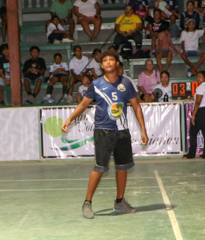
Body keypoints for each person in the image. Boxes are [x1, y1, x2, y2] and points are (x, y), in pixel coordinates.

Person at [62, 50, 148, 219]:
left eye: (111, 60)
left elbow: (136, 106)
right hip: (103, 131)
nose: (108, 62)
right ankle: (87, 203)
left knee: (122, 167)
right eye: (105, 60)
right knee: (100, 167)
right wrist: (70, 119)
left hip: (122, 131)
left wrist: (143, 129)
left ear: (117, 63)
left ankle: (120, 201)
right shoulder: (96, 84)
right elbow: (83, 105)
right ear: (101, 65)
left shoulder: (126, 83)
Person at [149, 8, 174, 73]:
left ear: (160, 15)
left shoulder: (163, 22)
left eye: (158, 14)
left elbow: (164, 30)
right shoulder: (151, 22)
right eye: (155, 14)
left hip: (161, 34)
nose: (156, 15)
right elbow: (150, 30)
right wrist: (154, 33)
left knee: (162, 35)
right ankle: (154, 50)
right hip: (154, 34)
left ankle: (166, 69)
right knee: (154, 37)